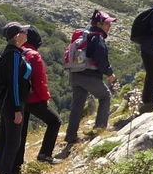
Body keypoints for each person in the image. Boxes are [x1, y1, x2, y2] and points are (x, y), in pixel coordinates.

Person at [64, 11, 118, 145]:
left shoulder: (85, 35)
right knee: (105, 96)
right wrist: (110, 74)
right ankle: (100, 128)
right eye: (107, 23)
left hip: (75, 74)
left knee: (77, 105)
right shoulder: (97, 37)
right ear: (99, 24)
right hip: (89, 75)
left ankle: (70, 137)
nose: (109, 26)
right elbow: (101, 59)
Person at [0, 22, 33, 174]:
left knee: (4, 138)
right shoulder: (14, 56)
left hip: (4, 103)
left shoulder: (8, 53)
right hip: (13, 103)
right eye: (24, 31)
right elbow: (14, 83)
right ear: (17, 36)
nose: (26, 34)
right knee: (14, 141)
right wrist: (17, 108)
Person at [19, 28, 61, 165]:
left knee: (21, 132)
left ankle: (16, 166)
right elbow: (39, 81)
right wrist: (45, 98)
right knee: (55, 121)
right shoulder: (34, 55)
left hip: (19, 99)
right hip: (34, 98)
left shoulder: (17, 52)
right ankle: (45, 155)